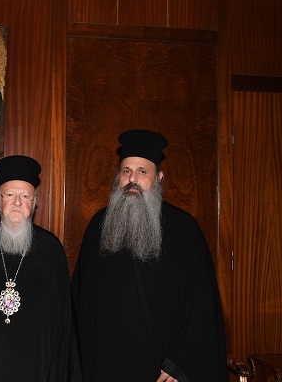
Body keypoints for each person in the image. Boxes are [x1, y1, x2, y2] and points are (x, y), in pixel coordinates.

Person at [71, 130, 228, 382]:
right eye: (126, 171)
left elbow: (201, 304)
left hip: (160, 369)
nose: (132, 179)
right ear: (118, 177)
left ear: (159, 179)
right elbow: (81, 301)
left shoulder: (184, 229)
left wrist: (179, 362)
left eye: (142, 171)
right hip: (105, 363)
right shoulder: (98, 225)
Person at [0, 155, 82, 382]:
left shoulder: (51, 250)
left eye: (25, 196)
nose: (18, 203)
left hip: (36, 368)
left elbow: (63, 322)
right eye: (10, 195)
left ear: (34, 202)